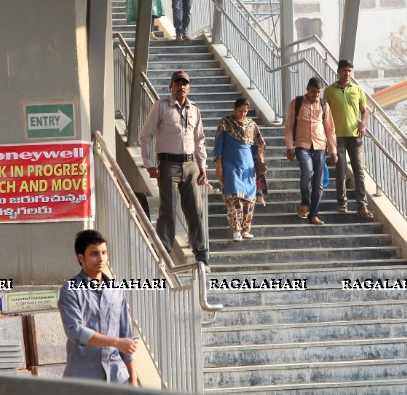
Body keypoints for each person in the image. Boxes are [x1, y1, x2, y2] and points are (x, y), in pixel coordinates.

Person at [139, 70, 209, 266]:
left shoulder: (195, 109)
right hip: (168, 164)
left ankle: (201, 255)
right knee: (168, 210)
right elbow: (146, 136)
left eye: (185, 83)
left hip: (191, 164)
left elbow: (199, 140)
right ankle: (164, 255)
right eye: (177, 84)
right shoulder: (161, 107)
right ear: (171, 87)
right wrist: (150, 164)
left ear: (189, 87)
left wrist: (203, 167)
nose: (181, 87)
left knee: (195, 210)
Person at [58, 230, 138, 385]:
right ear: (81, 257)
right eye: (94, 254)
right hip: (83, 379)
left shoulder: (116, 290)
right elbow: (75, 331)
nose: (101, 259)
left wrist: (133, 378)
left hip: (117, 377)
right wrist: (115, 342)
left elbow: (125, 334)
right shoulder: (70, 290)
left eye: (104, 252)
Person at [324, 59, 375, 219]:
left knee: (359, 170)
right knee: (341, 170)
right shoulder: (329, 91)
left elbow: (364, 111)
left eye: (350, 71)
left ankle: (362, 206)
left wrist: (363, 124)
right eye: (344, 70)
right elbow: (324, 115)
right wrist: (326, 138)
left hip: (355, 136)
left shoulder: (358, 90)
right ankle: (342, 203)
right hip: (336, 136)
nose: (347, 74)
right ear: (338, 72)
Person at [285, 77, 337, 226]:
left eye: (318, 92)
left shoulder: (323, 105)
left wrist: (333, 150)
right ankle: (304, 201)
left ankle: (314, 214)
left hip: (320, 146)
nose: (316, 95)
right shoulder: (297, 103)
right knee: (307, 172)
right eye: (313, 92)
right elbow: (289, 126)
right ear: (307, 89)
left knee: (318, 182)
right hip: (302, 145)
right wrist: (289, 147)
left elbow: (330, 129)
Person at [214, 97, 267, 241]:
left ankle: (245, 229)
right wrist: (218, 164)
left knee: (249, 200)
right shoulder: (225, 123)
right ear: (234, 109)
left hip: (248, 166)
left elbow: (258, 146)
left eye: (245, 111)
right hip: (230, 164)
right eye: (240, 111)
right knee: (234, 198)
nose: (242, 114)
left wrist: (259, 164)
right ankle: (236, 229)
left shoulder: (251, 125)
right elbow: (218, 145)